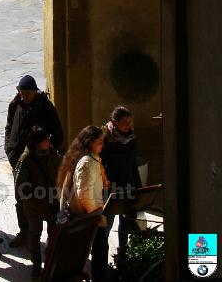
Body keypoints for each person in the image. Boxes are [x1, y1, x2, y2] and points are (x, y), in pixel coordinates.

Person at [4, 74, 63, 247]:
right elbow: (9, 126)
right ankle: (24, 232)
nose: (23, 96)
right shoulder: (15, 104)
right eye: (21, 92)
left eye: (27, 93)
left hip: (39, 164)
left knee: (45, 200)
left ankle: (49, 238)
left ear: (34, 91)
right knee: (21, 198)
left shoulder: (46, 107)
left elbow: (58, 135)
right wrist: (9, 149)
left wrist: (47, 155)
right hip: (18, 160)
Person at [57, 125, 110, 282]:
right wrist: (96, 215)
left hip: (89, 216)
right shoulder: (87, 162)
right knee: (99, 253)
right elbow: (84, 194)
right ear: (90, 142)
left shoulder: (86, 158)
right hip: (90, 217)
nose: (103, 145)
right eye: (100, 142)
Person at [14, 125, 61, 279]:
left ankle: (50, 263)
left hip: (52, 204)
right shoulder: (25, 159)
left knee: (53, 235)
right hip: (34, 206)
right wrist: (39, 193)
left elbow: (63, 170)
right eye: (45, 140)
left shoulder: (53, 154)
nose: (48, 141)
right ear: (37, 143)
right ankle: (36, 266)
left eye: (48, 138)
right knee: (34, 236)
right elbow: (20, 186)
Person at [101, 106, 142, 254]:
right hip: (111, 187)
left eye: (129, 122)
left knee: (126, 222)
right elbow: (100, 164)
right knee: (107, 222)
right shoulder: (105, 139)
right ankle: (101, 252)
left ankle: (122, 253)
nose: (127, 125)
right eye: (124, 122)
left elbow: (133, 164)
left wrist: (138, 187)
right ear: (114, 122)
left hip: (128, 184)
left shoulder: (131, 139)